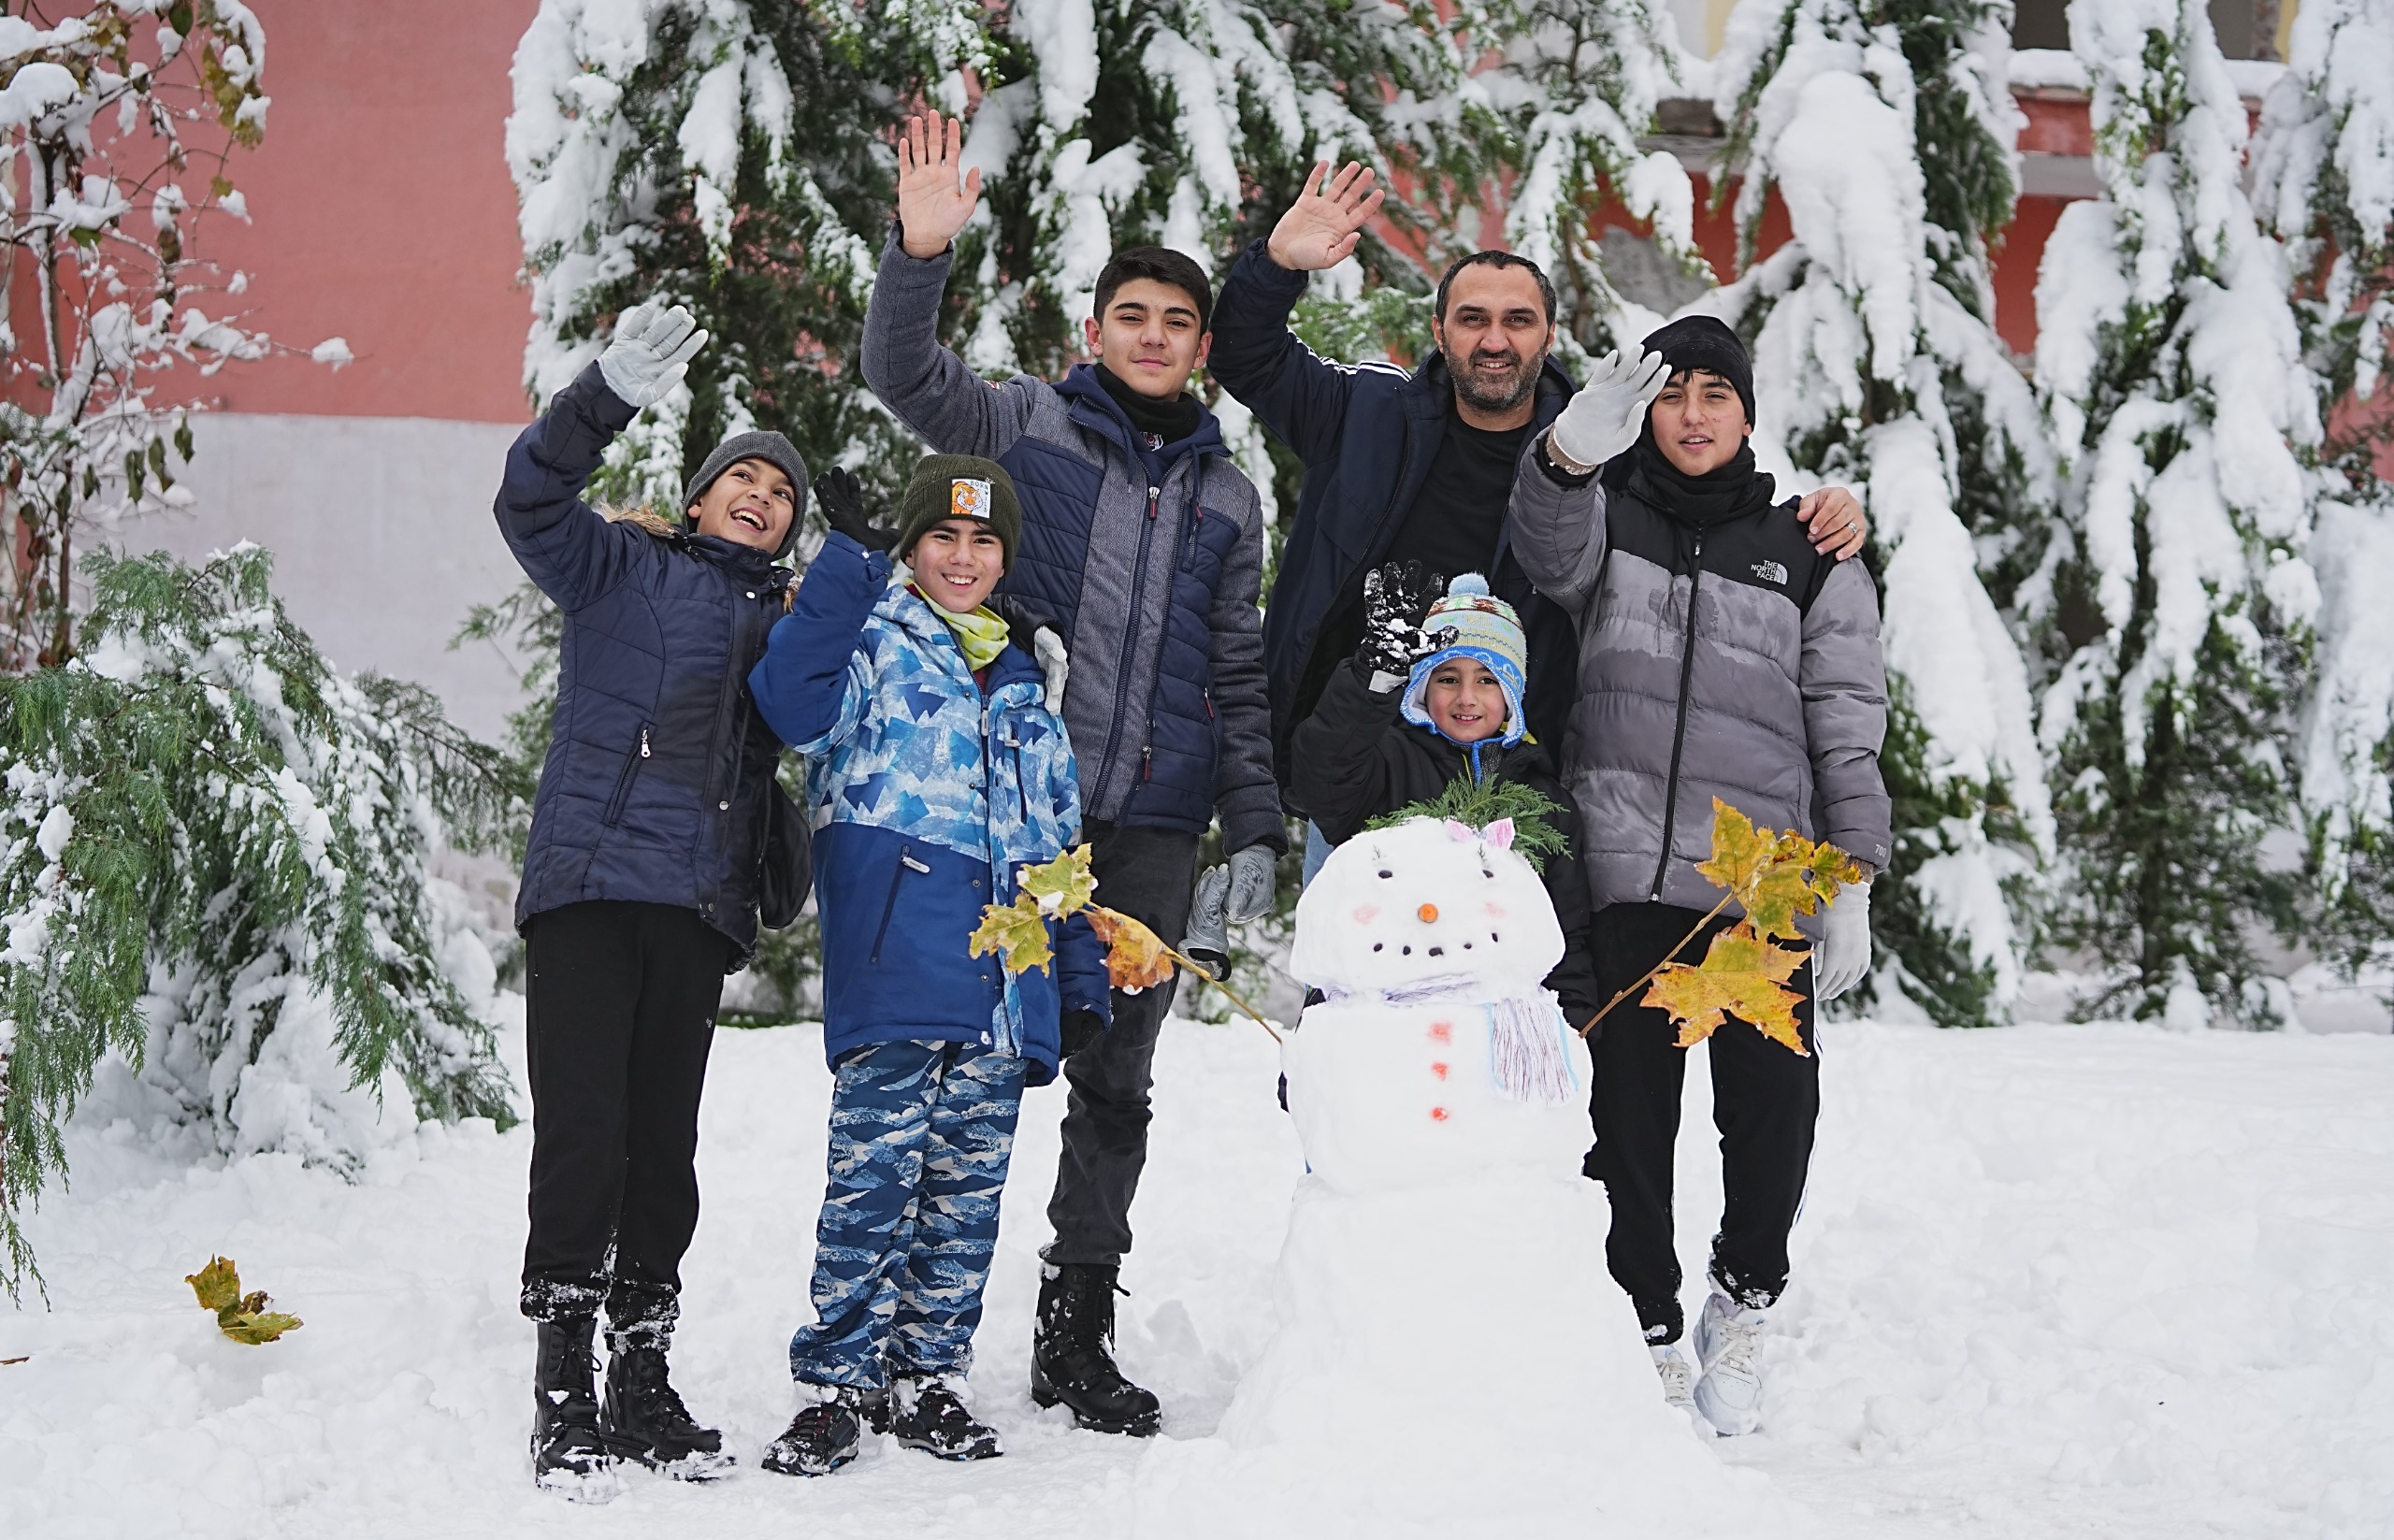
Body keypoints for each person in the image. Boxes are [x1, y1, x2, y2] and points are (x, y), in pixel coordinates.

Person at [858, 109, 1284, 1435]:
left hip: (1153, 824)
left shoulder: (1228, 496)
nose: (1153, 336)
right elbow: (903, 373)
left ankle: (1075, 1328)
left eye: (1176, 322)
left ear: (1200, 349)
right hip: (1020, 811)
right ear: (1095, 329)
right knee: (969, 1060)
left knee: (1117, 1080)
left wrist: (1253, 826)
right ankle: (911, 1329)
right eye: (1132, 316)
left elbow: (1236, 670)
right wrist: (918, 252)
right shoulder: (1026, 425)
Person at [1205, 162, 1870, 878]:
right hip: (1363, 775)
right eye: (1473, 319)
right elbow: (1247, 357)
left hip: (1515, 799)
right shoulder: (1364, 415)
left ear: (1548, 335)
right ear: (1438, 331)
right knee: (1355, 950)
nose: (1495, 340)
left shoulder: (1601, 455)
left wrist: (1820, 511)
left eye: (1517, 321)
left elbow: (1706, 502)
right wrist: (1277, 265)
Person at [1506, 313, 1891, 1438]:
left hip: (1762, 885)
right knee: (1629, 1124)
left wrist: (1853, 875)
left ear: (1746, 414)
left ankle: (1745, 1298)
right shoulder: (1609, 523)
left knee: (1773, 1121)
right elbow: (1542, 545)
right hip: (1625, 869)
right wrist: (1565, 455)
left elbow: (1845, 719)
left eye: (1713, 394)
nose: (1690, 414)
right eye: (1671, 394)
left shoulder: (1808, 549)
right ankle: (1649, 1321)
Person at [494, 301, 810, 1490]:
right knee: (584, 1132)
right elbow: (530, 499)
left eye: (782, 494)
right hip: (590, 884)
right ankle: (562, 1383)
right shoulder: (618, 567)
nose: (762, 497)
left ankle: (641, 1372)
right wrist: (603, 396)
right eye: (743, 479)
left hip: (698, 903)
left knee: (663, 1152)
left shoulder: (784, 622)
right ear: (697, 497)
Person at [745, 455, 1111, 1475]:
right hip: (898, 960)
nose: (962, 557)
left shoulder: (1028, 681)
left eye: (983, 541)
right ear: (911, 547)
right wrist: (847, 565)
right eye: (942, 537)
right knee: (873, 1182)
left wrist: (1077, 977)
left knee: (964, 1197)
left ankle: (927, 1378)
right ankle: (836, 1385)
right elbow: (788, 703)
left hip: (1006, 987)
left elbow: (1057, 842)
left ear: (1004, 558)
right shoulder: (868, 639)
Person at [1279, 566, 1599, 1026]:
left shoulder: (1544, 802)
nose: (1467, 698)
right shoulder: (1383, 763)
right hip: (1381, 1018)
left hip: (1490, 1033)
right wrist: (1375, 675)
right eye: (1448, 678)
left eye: (1487, 680)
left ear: (1513, 692)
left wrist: (1573, 1029)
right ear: (1422, 686)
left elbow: (1566, 933)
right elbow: (1321, 773)